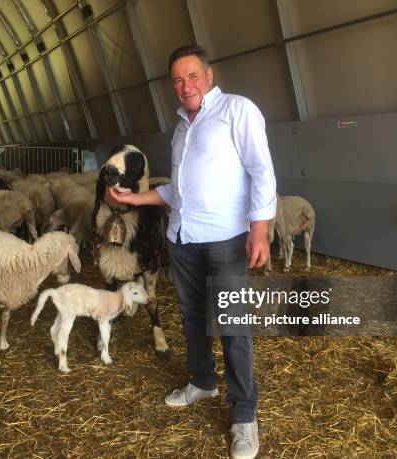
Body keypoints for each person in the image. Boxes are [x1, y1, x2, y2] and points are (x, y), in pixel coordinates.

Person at [107, 44, 276, 459]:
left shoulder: (237, 110)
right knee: (194, 315)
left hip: (226, 239)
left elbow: (261, 170)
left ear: (209, 75)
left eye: (192, 76)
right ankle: (202, 381)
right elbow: (177, 191)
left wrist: (260, 229)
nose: (186, 86)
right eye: (178, 80)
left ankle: (243, 416)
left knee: (233, 324)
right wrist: (135, 201)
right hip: (183, 238)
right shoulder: (182, 127)